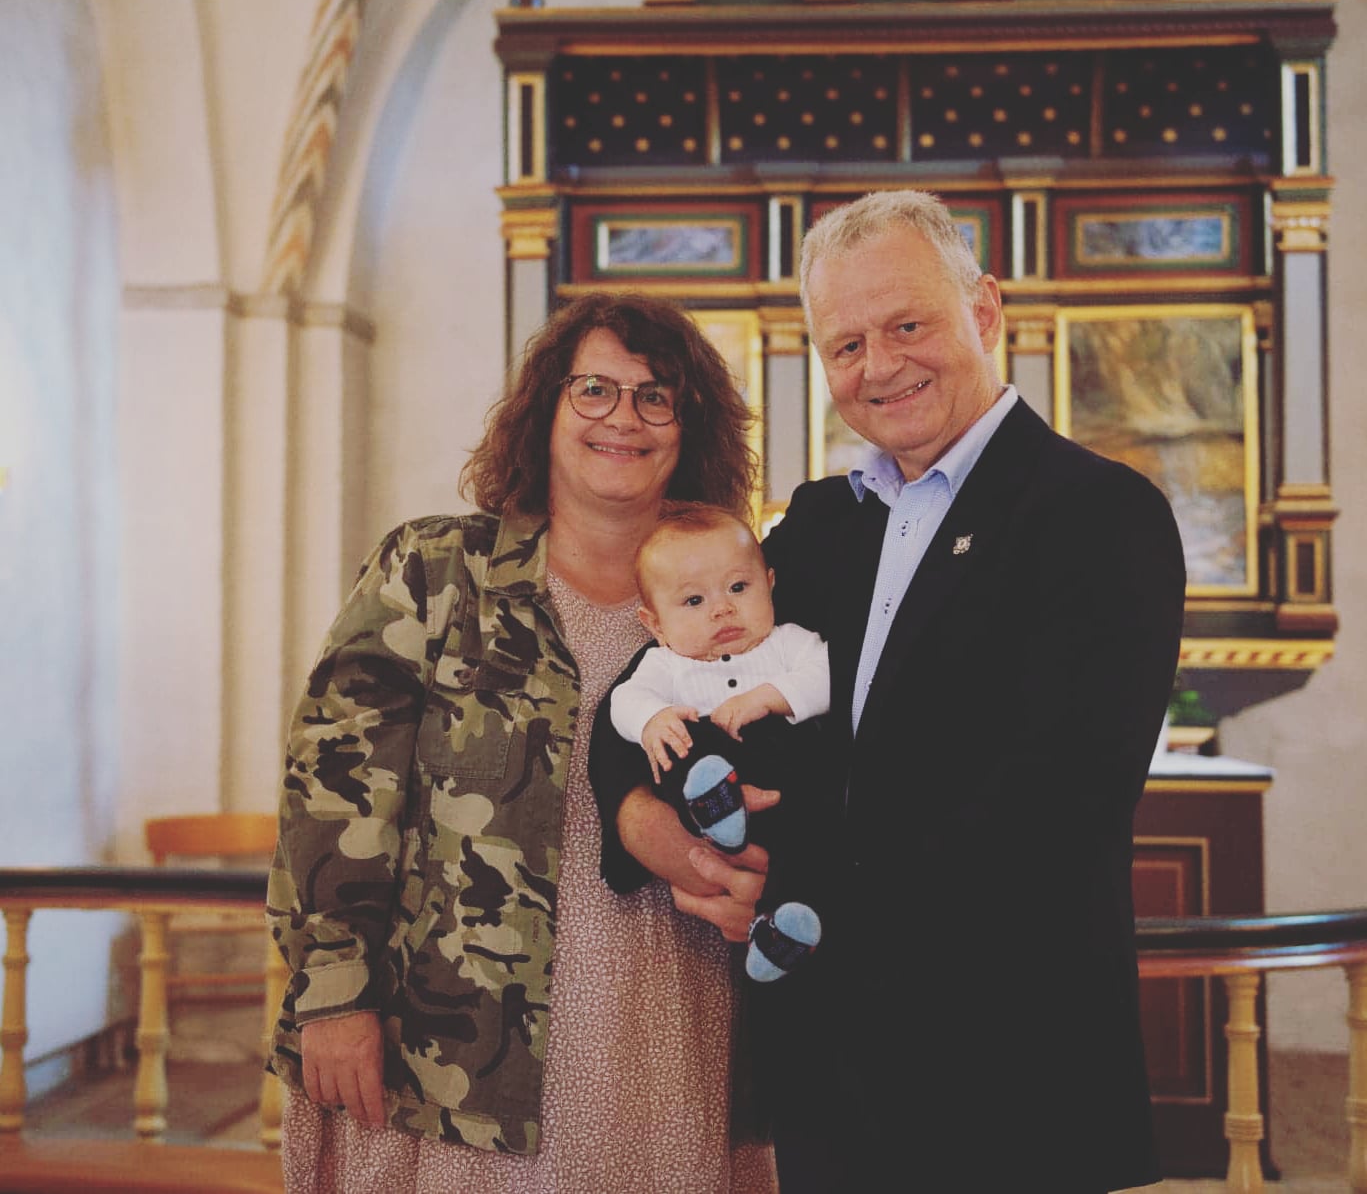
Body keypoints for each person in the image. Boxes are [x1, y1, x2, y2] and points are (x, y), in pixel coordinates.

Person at [595, 190, 1186, 1193]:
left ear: (983, 311)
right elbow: (656, 684)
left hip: (1008, 1064)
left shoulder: (1098, 514)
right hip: (827, 1067)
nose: (878, 365)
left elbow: (1059, 800)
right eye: (846, 344)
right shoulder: (823, 524)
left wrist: (800, 893)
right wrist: (649, 823)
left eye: (907, 325)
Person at [266, 295, 778, 1193]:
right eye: (595, 389)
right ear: (545, 406)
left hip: (674, 1021)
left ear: (689, 425)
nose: (623, 417)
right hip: (461, 1044)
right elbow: (334, 788)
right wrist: (335, 988)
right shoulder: (435, 571)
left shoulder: (741, 601)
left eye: (655, 396)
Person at [608, 502, 829, 980]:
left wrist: (768, 697)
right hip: (705, 789)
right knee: (680, 739)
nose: (723, 608)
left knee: (809, 841)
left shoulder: (789, 643)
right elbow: (625, 700)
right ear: (655, 624)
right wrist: (652, 720)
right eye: (694, 601)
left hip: (786, 793)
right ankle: (714, 802)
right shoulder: (665, 664)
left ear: (769, 583)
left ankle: (780, 932)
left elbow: (826, 678)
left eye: (738, 588)